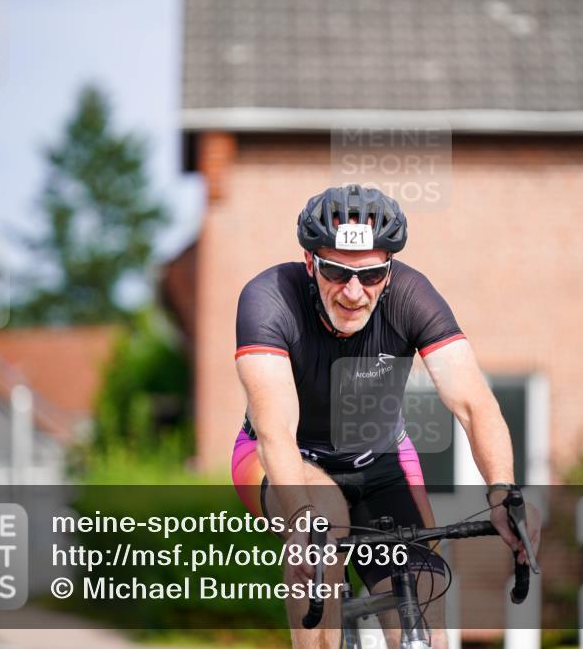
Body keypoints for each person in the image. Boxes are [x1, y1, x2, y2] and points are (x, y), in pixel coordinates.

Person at [231, 184, 541, 649]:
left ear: (390, 270)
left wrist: (503, 492)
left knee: (425, 604)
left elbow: (474, 404)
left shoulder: (412, 296)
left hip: (380, 462)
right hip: (284, 458)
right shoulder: (269, 298)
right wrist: (299, 518)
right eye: (337, 272)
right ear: (310, 261)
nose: (354, 292)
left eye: (372, 274)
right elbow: (276, 430)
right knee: (321, 525)